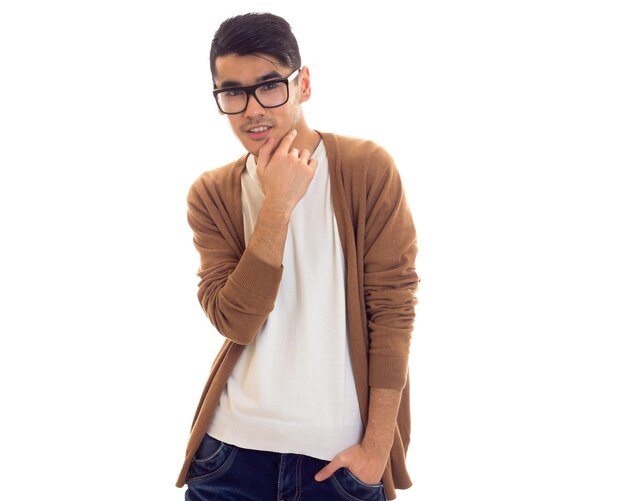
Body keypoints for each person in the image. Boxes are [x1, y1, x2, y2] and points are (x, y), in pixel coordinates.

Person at [176, 12, 419, 501]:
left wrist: (375, 451)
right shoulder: (211, 195)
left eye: (269, 86)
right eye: (232, 93)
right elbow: (235, 321)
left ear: (303, 83)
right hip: (229, 459)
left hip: (339, 462)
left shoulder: (366, 169)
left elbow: (392, 313)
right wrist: (278, 207)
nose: (252, 110)